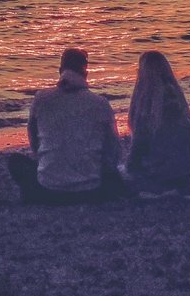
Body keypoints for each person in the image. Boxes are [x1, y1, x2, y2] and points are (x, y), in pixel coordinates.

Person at [7, 47, 123, 204]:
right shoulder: (100, 103)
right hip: (90, 190)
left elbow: (34, 140)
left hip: (49, 188)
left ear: (60, 70)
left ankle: (37, 194)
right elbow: (113, 149)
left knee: (15, 162)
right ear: (86, 74)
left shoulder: (41, 98)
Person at [125, 50, 190, 196]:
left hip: (160, 178)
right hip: (185, 176)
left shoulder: (147, 108)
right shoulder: (178, 100)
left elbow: (136, 155)